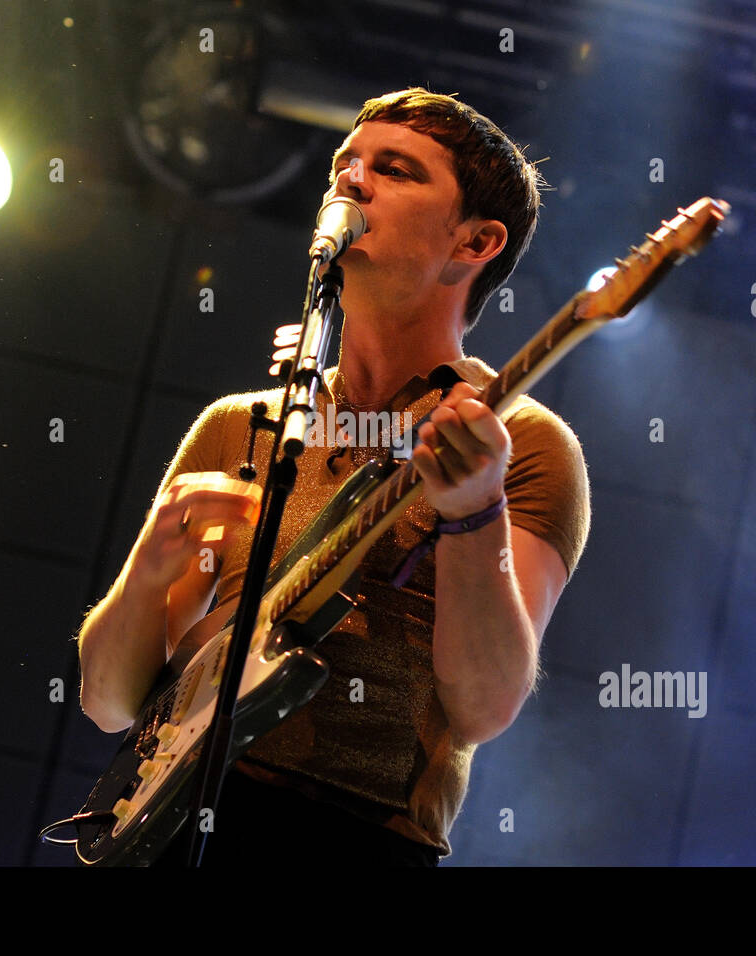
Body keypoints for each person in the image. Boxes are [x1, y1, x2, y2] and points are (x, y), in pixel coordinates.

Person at [76, 88, 590, 866]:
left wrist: (476, 509)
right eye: (344, 164)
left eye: (395, 169)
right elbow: (109, 704)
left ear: (477, 241)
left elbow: (485, 706)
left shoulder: (519, 441)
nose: (350, 180)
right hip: (171, 822)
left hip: (357, 838)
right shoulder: (239, 425)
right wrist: (148, 574)